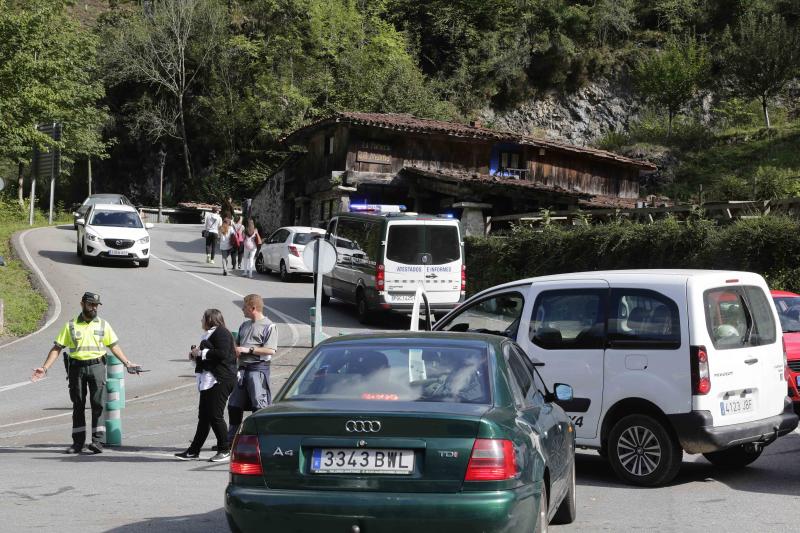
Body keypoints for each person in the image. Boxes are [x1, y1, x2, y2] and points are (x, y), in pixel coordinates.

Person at [30, 292, 140, 454]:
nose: (94, 308)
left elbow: (113, 346)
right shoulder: (71, 325)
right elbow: (57, 348)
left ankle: (98, 442)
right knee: (78, 405)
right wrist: (44, 368)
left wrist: (127, 363)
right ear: (82, 304)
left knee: (98, 405)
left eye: (96, 305)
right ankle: (78, 443)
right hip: (77, 369)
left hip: (97, 367)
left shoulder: (103, 325)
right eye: (90, 304)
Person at [175, 309, 236, 462]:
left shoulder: (222, 332)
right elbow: (210, 358)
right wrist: (195, 356)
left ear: (210, 319)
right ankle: (193, 450)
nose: (201, 321)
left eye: (203, 318)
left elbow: (222, 353)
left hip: (221, 379)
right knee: (204, 417)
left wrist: (201, 353)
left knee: (215, 415)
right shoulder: (209, 334)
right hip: (209, 380)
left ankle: (224, 449)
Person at [227, 294, 277, 443]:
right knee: (234, 405)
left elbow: (271, 350)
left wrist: (248, 350)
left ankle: (261, 440)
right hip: (241, 370)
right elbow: (236, 347)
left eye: (244, 306)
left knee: (259, 406)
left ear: (253, 308)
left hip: (257, 370)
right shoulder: (244, 325)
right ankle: (231, 440)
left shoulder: (269, 326)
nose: (242, 309)